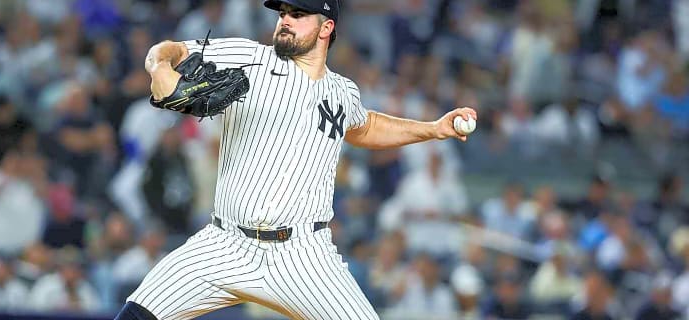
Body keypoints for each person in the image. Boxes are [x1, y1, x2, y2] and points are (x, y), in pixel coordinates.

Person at [116, 0, 477, 319]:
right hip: (223, 243)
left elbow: (364, 127)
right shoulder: (248, 57)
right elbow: (169, 50)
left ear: (326, 27)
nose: (285, 19)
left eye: (299, 13)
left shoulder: (342, 91)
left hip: (303, 255)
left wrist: (433, 128)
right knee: (136, 315)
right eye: (283, 12)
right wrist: (160, 67)